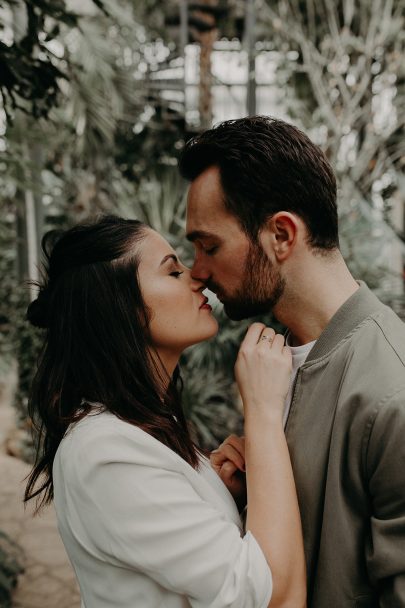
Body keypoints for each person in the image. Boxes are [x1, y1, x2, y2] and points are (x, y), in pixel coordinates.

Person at [179, 115, 405, 608]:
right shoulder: (273, 358)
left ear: (281, 234)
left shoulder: (393, 393)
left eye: (209, 245)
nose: (197, 271)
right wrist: (241, 500)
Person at [24, 215, 306, 608]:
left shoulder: (143, 427)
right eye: (173, 271)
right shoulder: (104, 453)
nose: (197, 278)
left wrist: (227, 497)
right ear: (121, 308)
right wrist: (262, 411)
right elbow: (276, 596)